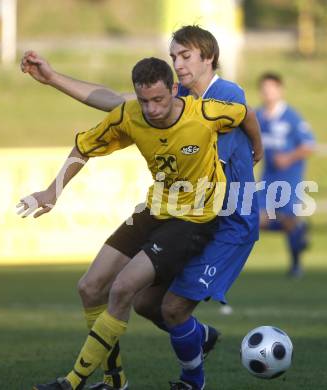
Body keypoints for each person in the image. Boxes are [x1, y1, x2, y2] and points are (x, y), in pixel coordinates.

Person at [21, 26, 262, 390]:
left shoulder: (221, 97)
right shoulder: (171, 97)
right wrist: (53, 78)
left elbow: (245, 115)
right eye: (173, 57)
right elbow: (117, 101)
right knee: (147, 304)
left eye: (185, 56)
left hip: (224, 221)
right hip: (170, 210)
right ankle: (190, 341)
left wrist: (257, 150)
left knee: (169, 306)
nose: (178, 64)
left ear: (208, 57)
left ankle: (184, 380)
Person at [256, 72, 315, 278]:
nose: (268, 92)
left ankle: (296, 265)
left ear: (280, 90)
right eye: (264, 88)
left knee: (288, 219)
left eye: (271, 88)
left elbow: (309, 145)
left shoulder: (291, 116)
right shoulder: (258, 117)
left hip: (289, 179)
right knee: (254, 219)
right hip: (267, 179)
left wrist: (289, 157)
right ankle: (300, 229)